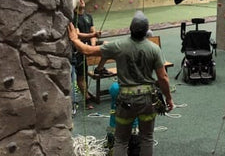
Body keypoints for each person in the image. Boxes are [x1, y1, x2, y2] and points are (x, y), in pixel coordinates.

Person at [68, 11, 174, 156]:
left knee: (121, 141)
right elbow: (163, 78)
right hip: (148, 99)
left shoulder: (118, 46)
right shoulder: (154, 49)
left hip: (125, 100)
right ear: (146, 31)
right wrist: (168, 98)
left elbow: (87, 50)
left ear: (130, 29)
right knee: (147, 139)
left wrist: (74, 39)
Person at [72, 0, 103, 109]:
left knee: (106, 45)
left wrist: (93, 45)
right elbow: (78, 34)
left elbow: (92, 31)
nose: (82, 0)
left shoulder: (88, 16)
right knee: (81, 77)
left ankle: (100, 68)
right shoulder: (73, 18)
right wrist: (92, 37)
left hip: (89, 44)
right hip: (79, 48)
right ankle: (87, 99)